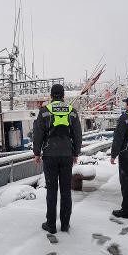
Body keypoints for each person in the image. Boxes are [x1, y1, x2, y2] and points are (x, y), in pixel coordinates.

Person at [33, 84, 82, 234]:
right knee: (66, 191)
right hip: (67, 155)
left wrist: (37, 153)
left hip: (50, 155)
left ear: (51, 96)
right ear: (63, 96)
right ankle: (65, 224)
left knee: (52, 191)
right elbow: (77, 135)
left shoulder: (44, 111)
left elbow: (38, 134)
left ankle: (51, 225)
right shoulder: (72, 112)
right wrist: (75, 153)